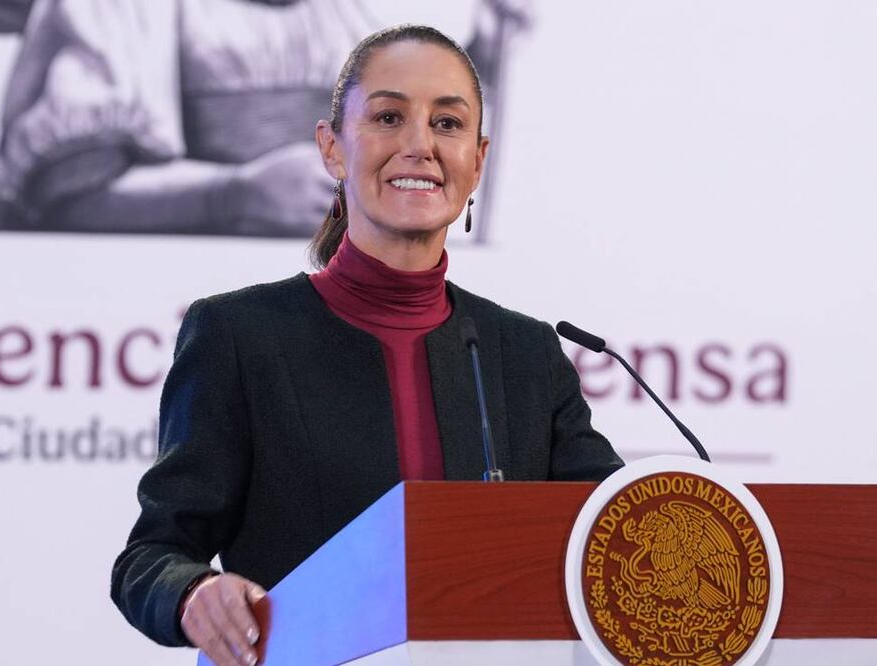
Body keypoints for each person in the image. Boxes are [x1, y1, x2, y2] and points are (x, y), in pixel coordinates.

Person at [110, 24, 622, 666]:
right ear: (332, 148)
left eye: (447, 123)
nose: (419, 146)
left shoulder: (526, 353)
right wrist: (192, 592)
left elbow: (619, 528)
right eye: (388, 117)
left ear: (478, 160)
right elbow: (151, 556)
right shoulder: (238, 335)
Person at [0, 0, 527, 236]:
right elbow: (67, 194)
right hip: (159, 319)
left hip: (337, 321)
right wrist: (233, 195)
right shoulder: (124, 10)